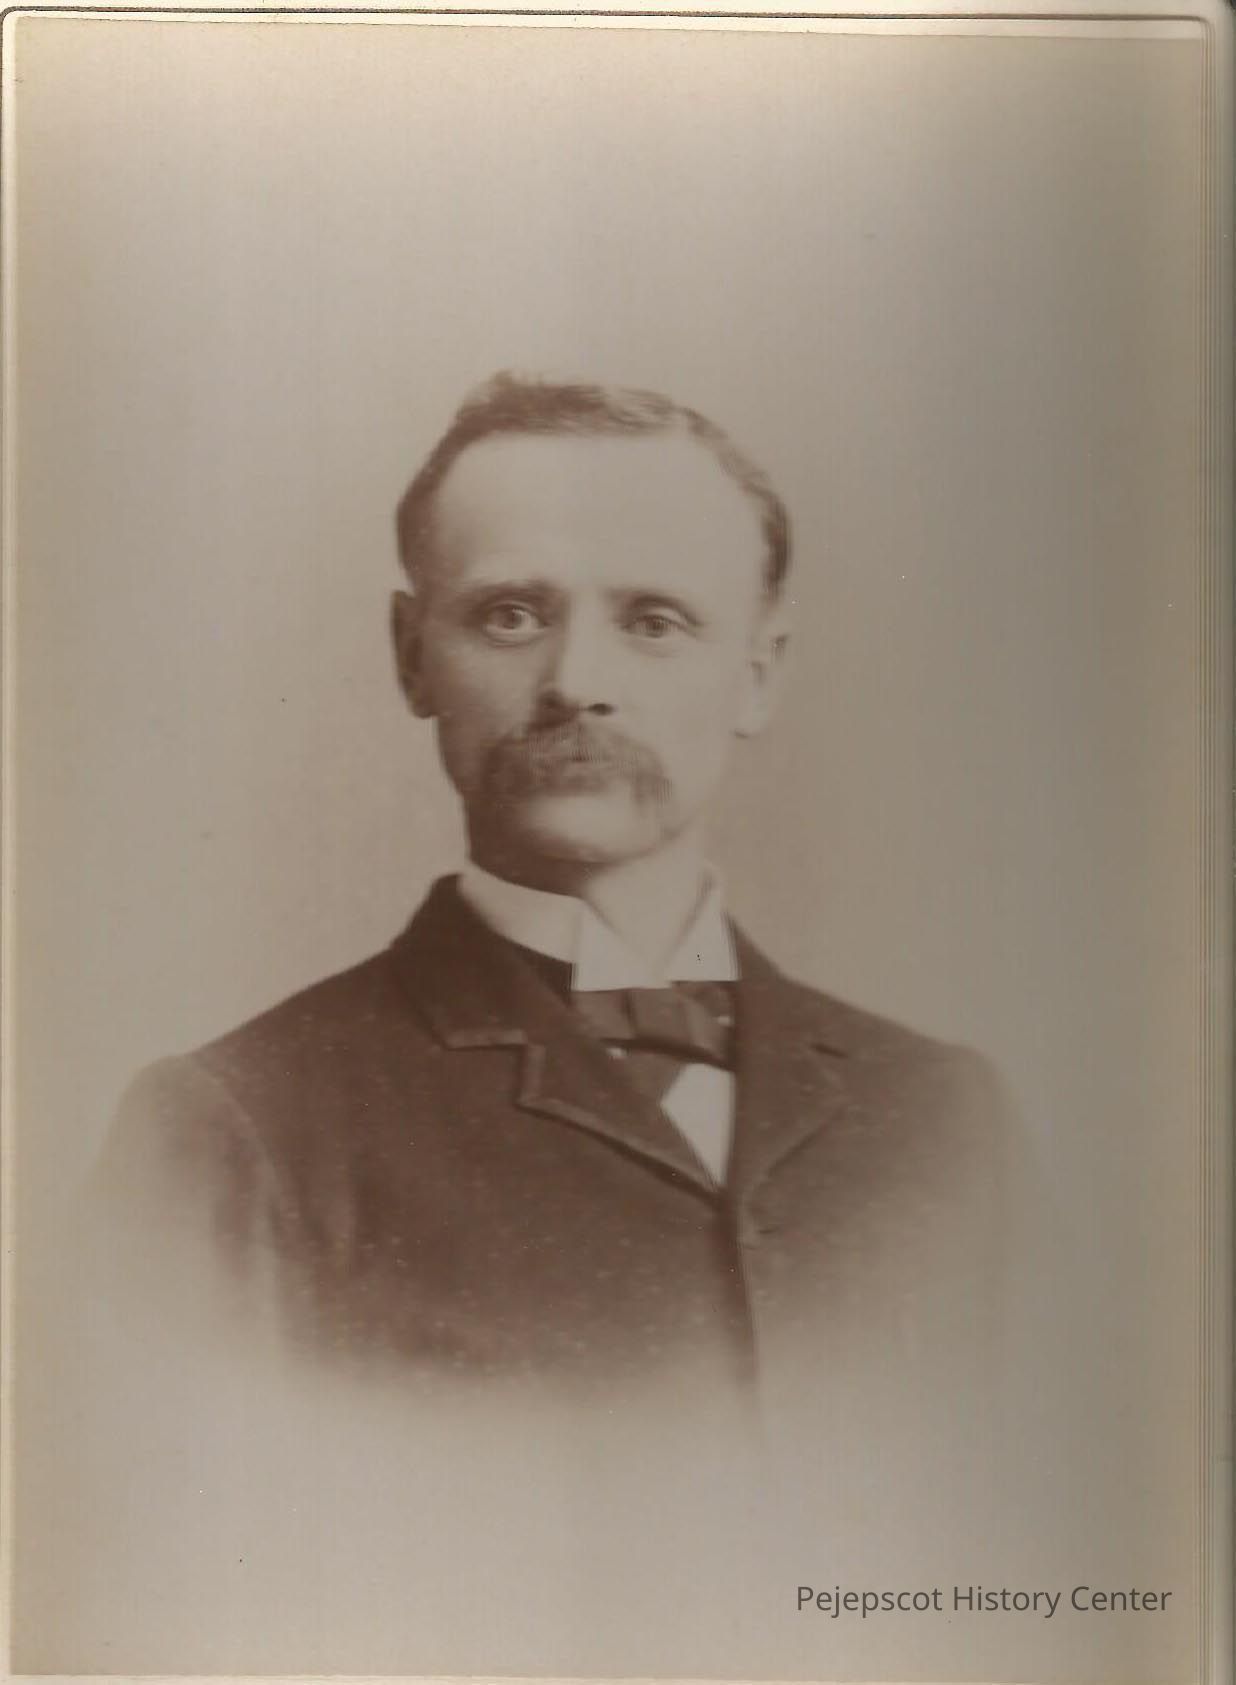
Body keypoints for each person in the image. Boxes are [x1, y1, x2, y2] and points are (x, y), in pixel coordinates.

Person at [93, 373, 1035, 1442]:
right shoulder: (233, 1127)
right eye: (511, 615)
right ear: (411, 655)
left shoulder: (950, 1118)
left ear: (760, 673)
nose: (576, 679)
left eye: (655, 621)